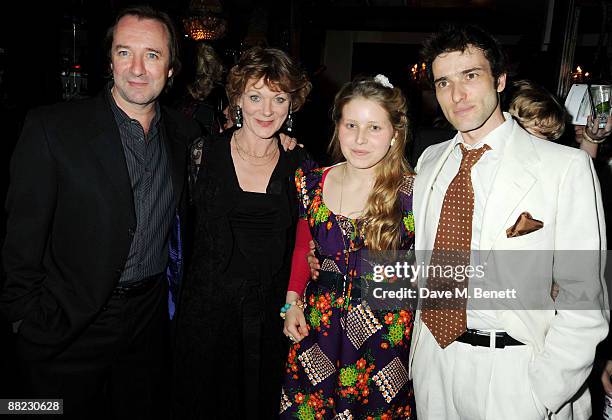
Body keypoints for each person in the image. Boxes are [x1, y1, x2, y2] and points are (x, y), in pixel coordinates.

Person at [0, 6, 199, 419]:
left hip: (147, 325)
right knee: (34, 411)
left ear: (172, 68)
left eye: (153, 55)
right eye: (125, 52)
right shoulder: (51, 128)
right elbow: (21, 236)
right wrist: (24, 318)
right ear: (110, 60)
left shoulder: (185, 136)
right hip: (66, 324)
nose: (138, 69)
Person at [410, 25, 607, 420]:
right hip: (434, 363)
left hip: (515, 373)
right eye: (443, 82)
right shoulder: (430, 161)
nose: (457, 94)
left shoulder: (564, 167)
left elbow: (584, 300)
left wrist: (542, 393)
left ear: (499, 80)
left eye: (471, 75)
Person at [172, 46, 313, 419]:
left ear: (291, 104)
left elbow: (307, 242)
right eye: (255, 97)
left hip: (272, 320)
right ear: (237, 99)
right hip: (205, 319)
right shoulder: (200, 153)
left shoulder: (302, 165)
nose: (266, 111)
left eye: (278, 98)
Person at [280, 75, 416, 419]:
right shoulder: (310, 181)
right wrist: (291, 304)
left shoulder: (414, 192)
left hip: (383, 336)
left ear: (394, 134)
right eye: (351, 124)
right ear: (337, 126)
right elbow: (301, 248)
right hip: (318, 328)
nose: (359, 139)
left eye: (374, 128)